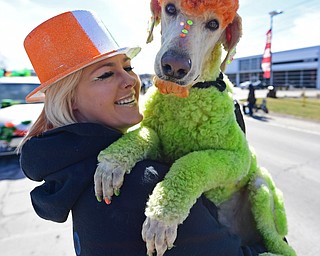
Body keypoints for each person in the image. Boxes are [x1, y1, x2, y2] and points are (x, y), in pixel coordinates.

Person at [19, 10, 267, 256]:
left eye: (128, 67)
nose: (131, 81)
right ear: (70, 99)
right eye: (105, 74)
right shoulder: (140, 184)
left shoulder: (73, 169)